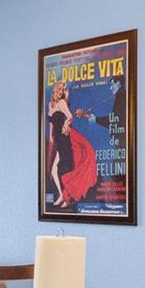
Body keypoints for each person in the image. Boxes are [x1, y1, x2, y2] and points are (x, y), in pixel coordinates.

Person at [45, 80, 98, 210]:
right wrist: (51, 139)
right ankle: (62, 195)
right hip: (57, 139)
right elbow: (51, 125)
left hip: (64, 137)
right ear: (55, 89)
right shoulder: (50, 105)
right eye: (60, 89)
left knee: (61, 168)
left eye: (63, 90)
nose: (61, 91)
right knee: (53, 170)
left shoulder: (62, 103)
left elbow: (69, 117)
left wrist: (65, 124)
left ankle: (66, 197)